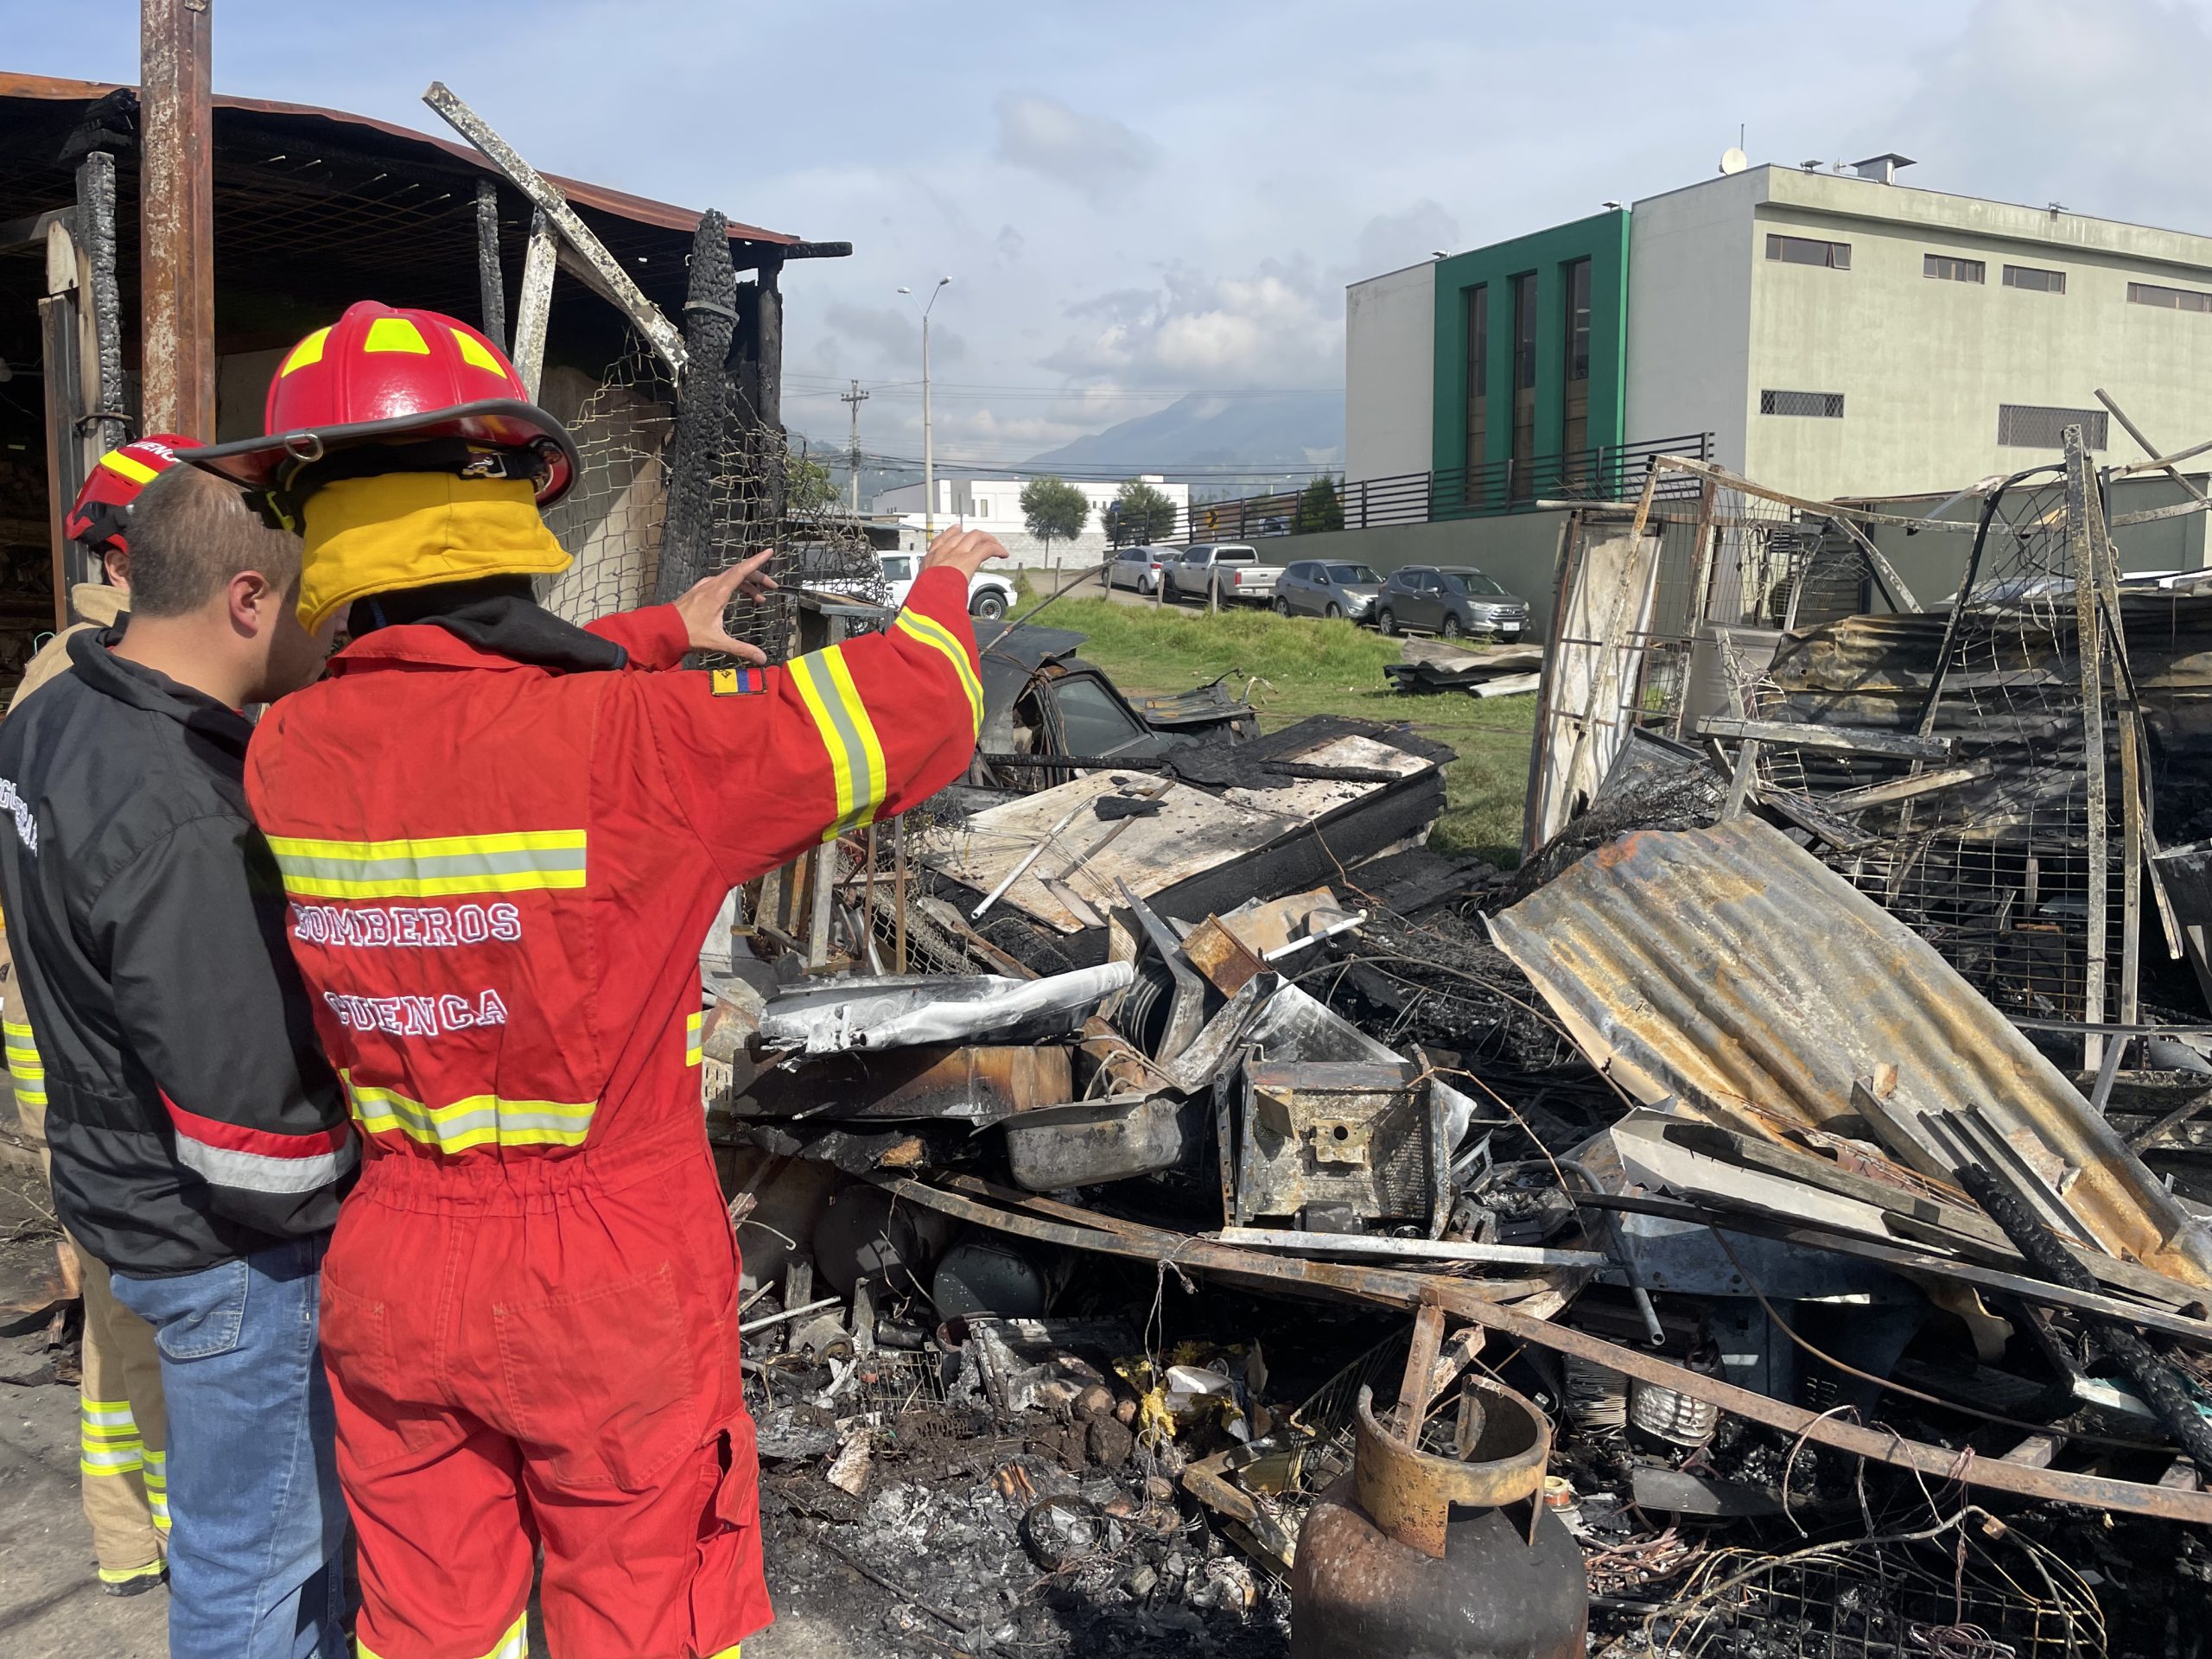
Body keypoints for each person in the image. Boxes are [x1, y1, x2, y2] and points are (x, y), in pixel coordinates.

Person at [192, 299, 998, 1659]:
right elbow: (917, 715)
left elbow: (452, 702)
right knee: (641, 1617)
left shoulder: (285, 753)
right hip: (608, 1278)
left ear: (316, 523)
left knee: (429, 1626)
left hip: (393, 1263)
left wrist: (656, 632)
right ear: (508, 498)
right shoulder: (648, 749)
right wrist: (944, 590)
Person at [0, 463, 356, 1659]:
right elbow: (253, 1127)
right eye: (325, 603)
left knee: (231, 1549)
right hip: (233, 1258)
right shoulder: (191, 813)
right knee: (258, 1577)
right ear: (249, 601)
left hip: (121, 1196)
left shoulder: (53, 715)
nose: (339, 627)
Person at [0, 433, 195, 1597]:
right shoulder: (99, 697)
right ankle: (179, 1536)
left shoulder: (49, 681)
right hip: (98, 1063)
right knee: (146, 1304)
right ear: (134, 556)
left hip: (56, 1050)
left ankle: (127, 1533)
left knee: (115, 1299)